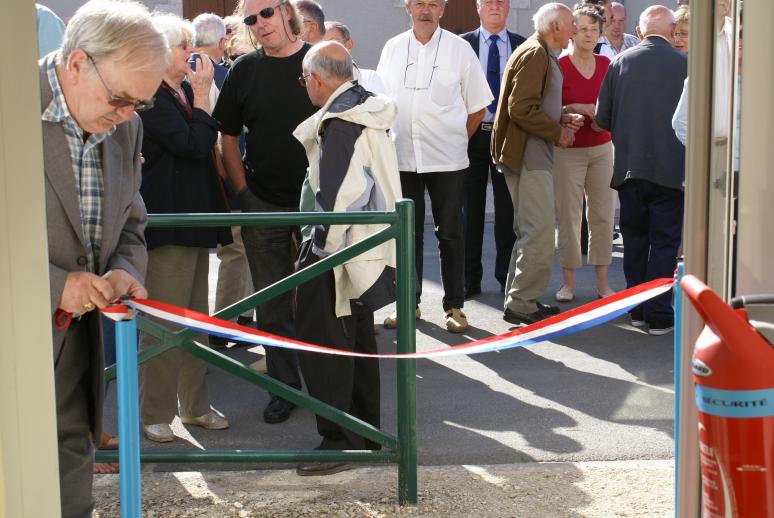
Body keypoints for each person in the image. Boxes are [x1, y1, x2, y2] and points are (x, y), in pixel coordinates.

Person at [41, 0, 167, 515]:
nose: (127, 115)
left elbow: (132, 221)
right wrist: (51, 285)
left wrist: (126, 268)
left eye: (142, 103)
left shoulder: (126, 126)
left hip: (75, 352)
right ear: (76, 63)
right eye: (120, 98)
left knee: (70, 481)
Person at [292, 41, 402, 476]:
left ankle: (340, 440)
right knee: (357, 344)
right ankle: (365, 435)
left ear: (317, 79)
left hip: (340, 253)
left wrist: (315, 251)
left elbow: (338, 198)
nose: (305, 87)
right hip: (365, 249)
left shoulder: (341, 122)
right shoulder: (367, 109)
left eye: (304, 79)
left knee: (327, 346)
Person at [213, 0, 317, 424]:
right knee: (273, 303)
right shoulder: (244, 70)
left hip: (321, 206)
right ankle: (283, 388)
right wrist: (244, 195)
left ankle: (331, 389)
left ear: (287, 12)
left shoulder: (318, 61)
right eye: (251, 19)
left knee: (323, 300)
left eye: (267, 13)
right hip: (265, 203)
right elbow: (227, 139)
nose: (260, 24)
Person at [137, 13, 232, 443]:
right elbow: (193, 144)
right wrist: (202, 96)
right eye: (182, 46)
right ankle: (153, 413)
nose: (191, 53)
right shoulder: (151, 96)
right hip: (168, 224)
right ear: (160, 52)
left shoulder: (176, 92)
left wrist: (197, 97)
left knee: (196, 319)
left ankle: (193, 407)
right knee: (164, 323)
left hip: (193, 222)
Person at [377, 0, 493, 333]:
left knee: (451, 234)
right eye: (419, 4)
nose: (425, 10)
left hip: (447, 159)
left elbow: (477, 107)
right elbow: (382, 100)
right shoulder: (393, 48)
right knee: (406, 235)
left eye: (433, 4)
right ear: (407, 8)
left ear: (442, 10)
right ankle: (407, 304)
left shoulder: (460, 49)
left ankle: (454, 306)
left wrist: (457, 139)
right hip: (402, 158)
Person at [596, 5, 687, 335]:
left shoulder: (620, 63)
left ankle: (636, 307)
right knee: (664, 242)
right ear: (673, 30)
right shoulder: (685, 64)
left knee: (634, 240)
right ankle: (659, 312)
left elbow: (601, 118)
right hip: (670, 169)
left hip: (629, 169)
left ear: (641, 29)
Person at [491, 3, 581, 325]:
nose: (574, 30)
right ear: (554, 27)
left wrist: (560, 117)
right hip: (529, 156)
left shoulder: (539, 52)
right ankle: (522, 304)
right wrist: (558, 131)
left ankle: (521, 300)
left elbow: (530, 105)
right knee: (539, 232)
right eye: (571, 24)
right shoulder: (535, 54)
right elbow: (521, 108)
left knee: (530, 231)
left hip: (531, 153)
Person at [190, 13, 255, 346]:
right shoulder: (216, 74)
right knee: (236, 250)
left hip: (196, 179)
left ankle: (238, 318)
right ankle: (226, 323)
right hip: (222, 177)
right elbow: (221, 135)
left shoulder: (181, 68)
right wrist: (234, 182)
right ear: (220, 43)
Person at [460, 0, 525, 299]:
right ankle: (469, 279)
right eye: (488, 1)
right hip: (471, 135)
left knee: (507, 211)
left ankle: (506, 278)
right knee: (468, 210)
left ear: (509, 7)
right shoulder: (462, 45)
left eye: (500, 1)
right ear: (478, 7)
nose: (495, 6)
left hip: (508, 137)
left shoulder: (522, 46)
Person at [553, 4, 616, 303]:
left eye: (595, 29)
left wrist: (604, 114)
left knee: (603, 215)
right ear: (572, 32)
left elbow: (617, 104)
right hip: (568, 151)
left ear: (600, 33)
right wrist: (572, 110)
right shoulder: (558, 65)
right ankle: (568, 283)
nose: (589, 34)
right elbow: (548, 110)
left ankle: (603, 283)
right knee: (568, 216)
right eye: (583, 29)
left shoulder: (607, 64)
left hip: (603, 148)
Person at [323, 20, 386, 94]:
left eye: (332, 43)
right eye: (319, 45)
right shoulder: (313, 84)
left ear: (349, 45)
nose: (325, 50)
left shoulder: (370, 79)